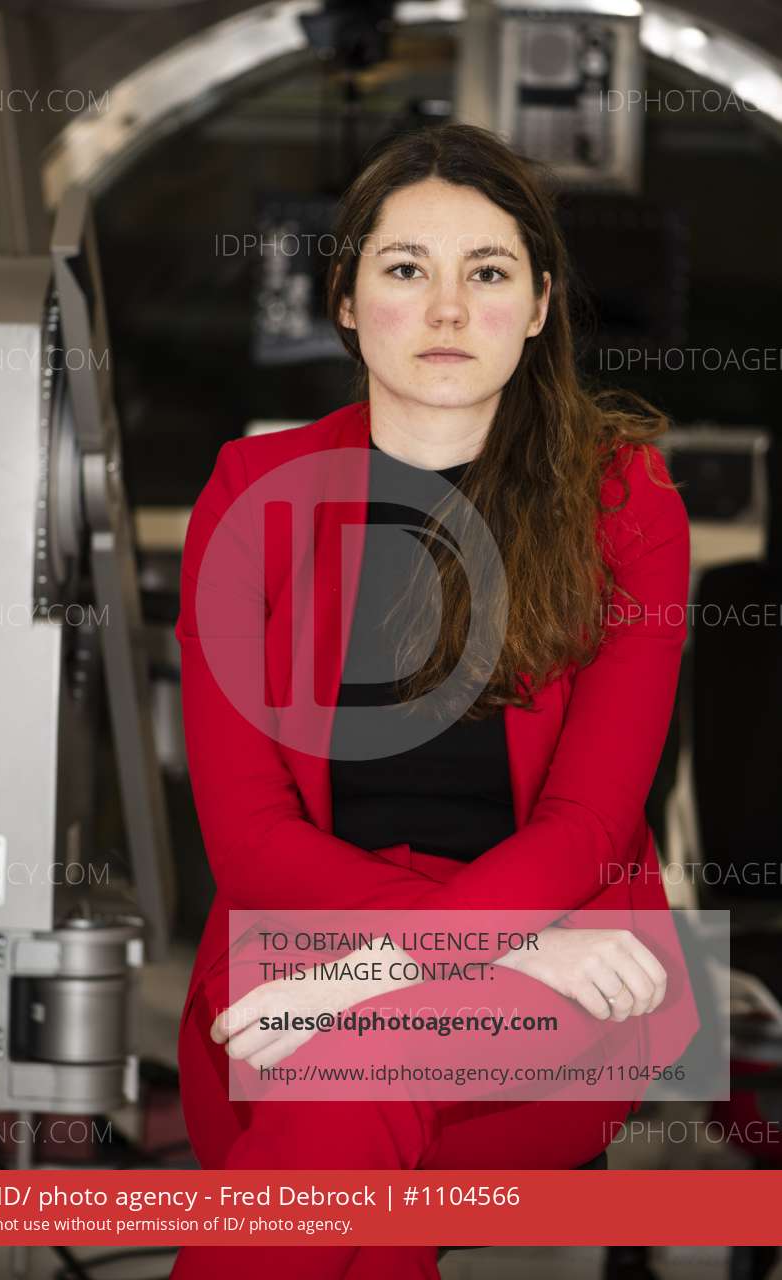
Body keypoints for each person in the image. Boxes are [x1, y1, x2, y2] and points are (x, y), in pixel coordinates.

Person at [170, 122, 698, 1279]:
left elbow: (587, 824)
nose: (448, 309)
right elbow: (249, 838)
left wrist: (377, 972)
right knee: (363, 1156)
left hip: (545, 983)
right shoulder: (251, 493)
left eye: (489, 272)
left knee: (349, 1079)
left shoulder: (625, 502)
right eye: (407, 268)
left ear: (541, 303)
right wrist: (486, 952)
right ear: (346, 300)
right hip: (317, 954)